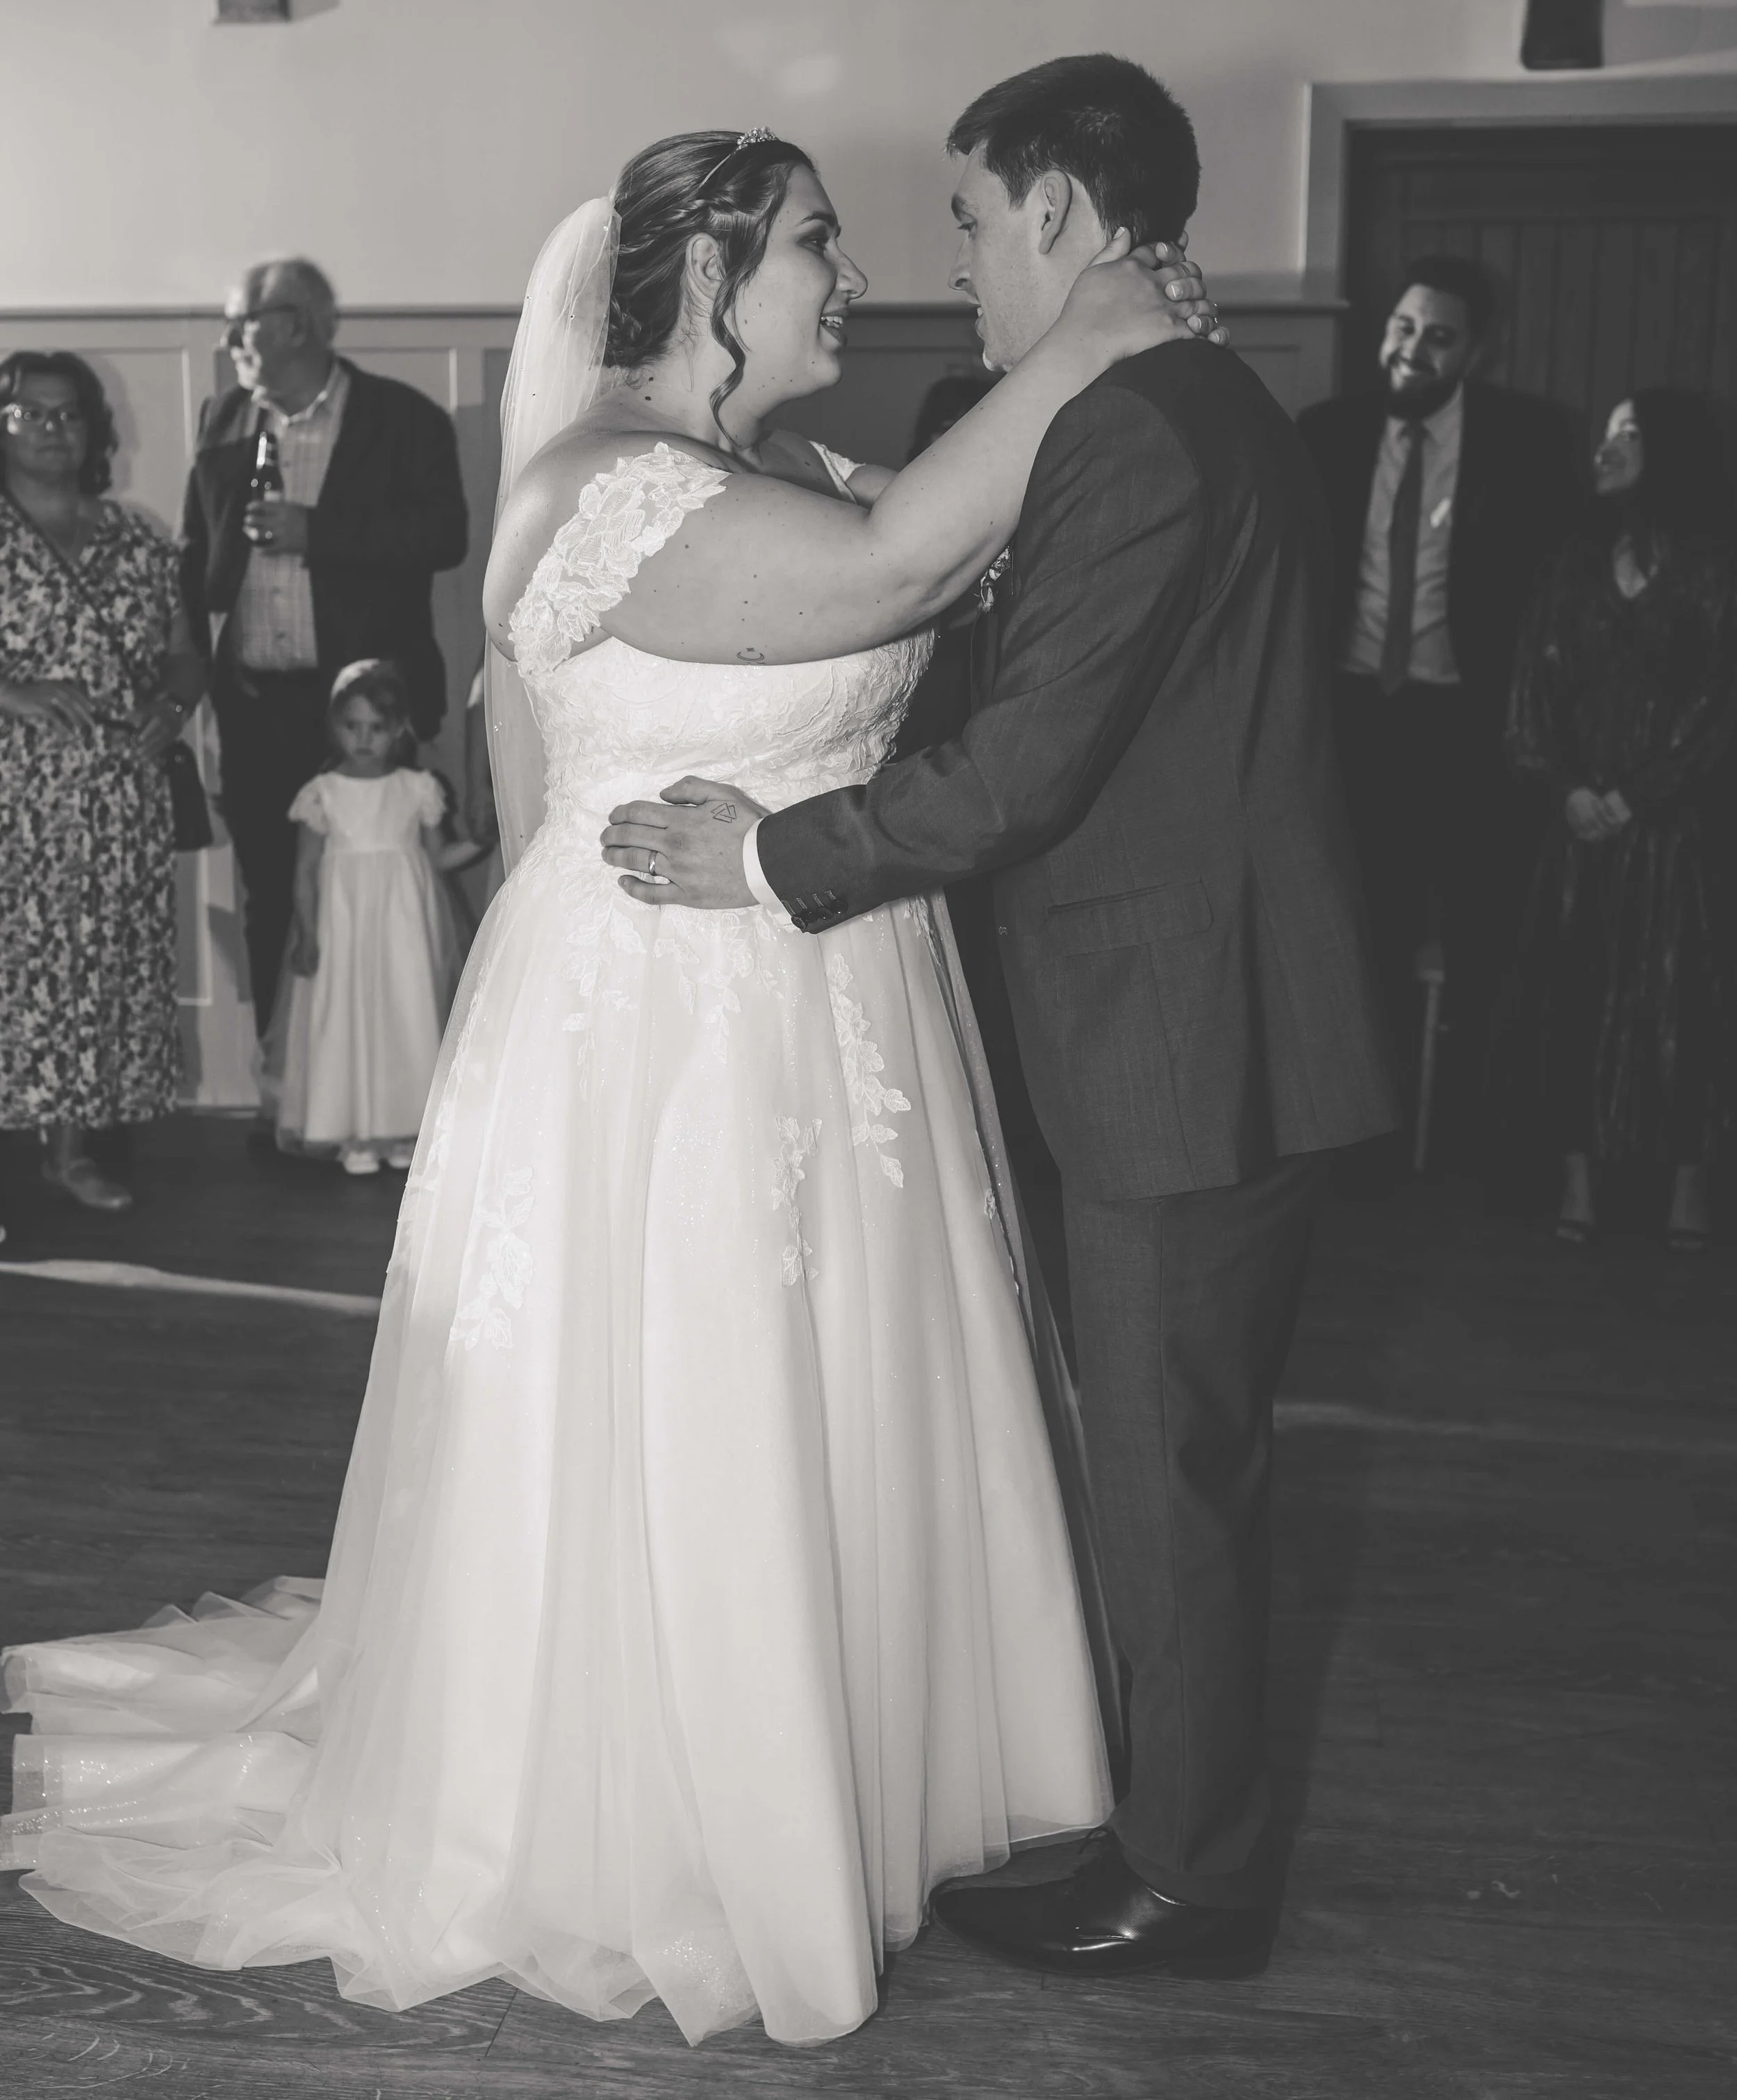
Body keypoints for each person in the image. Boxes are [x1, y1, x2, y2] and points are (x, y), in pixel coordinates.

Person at [1, 126, 1210, 2047]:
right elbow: (908, 564)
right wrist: (1101, 334)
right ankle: (662, 1810)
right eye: (817, 242)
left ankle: (852, 1753)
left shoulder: (778, 468)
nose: (854, 270)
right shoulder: (614, 484)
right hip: (673, 1021)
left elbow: (948, 555)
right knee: (690, 1392)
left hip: (829, 994)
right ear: (715, 269)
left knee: (835, 1396)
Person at [604, 56, 1396, 1980]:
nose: (948, 261)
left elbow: (1029, 764)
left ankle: (1192, 1878)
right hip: (1207, 1018)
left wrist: (778, 860)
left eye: (967, 215)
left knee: (1169, 1470)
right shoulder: (1176, 404)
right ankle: (1163, 1824)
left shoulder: (1139, 427)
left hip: (1184, 1043)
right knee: (1169, 1457)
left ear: (1056, 208)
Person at [1296, 259, 1583, 1160]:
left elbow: (1555, 596)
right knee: (1362, 932)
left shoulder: (1532, 441)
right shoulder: (1327, 433)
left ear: (1477, 351)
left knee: (1479, 933)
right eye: (1405, 328)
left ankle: (1463, 1138)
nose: (1414, 349)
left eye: (1441, 336)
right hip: (1353, 719)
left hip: (1471, 727)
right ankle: (1369, 1138)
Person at [180, 257, 470, 1035]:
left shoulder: (403, 417)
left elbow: (445, 536)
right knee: (273, 892)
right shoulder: (225, 418)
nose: (229, 336)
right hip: (254, 709)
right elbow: (196, 557)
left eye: (243, 320)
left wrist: (319, 532)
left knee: (386, 894)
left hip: (366, 712)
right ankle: (287, 1089)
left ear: (298, 324)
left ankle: (398, 1093)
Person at [1501, 389, 1736, 1250]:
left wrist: (1642, 794)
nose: (1607, 447)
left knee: (1685, 1004)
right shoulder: (1566, 564)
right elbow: (1530, 695)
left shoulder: (1714, 568)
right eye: (1604, 433)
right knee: (1575, 992)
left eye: (1628, 434)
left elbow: (1720, 707)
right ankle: (1576, 1183)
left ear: (1669, 451)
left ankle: (1687, 1190)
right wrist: (1566, 787)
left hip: (1676, 834)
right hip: (1579, 827)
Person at [0, 350, 205, 1213]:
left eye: (69, 413)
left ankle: (70, 1149)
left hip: (118, 799)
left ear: (94, 427)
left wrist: (172, 703)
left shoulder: (135, 537)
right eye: (31, 413)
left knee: (95, 974)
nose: (53, 429)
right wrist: (14, 688)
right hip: (15, 798)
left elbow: (185, 651)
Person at [260, 659, 465, 1175]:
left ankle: (400, 1127)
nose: (364, 739)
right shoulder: (322, 792)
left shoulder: (417, 787)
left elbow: (438, 858)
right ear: (335, 726)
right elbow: (305, 871)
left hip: (402, 927)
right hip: (343, 925)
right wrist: (307, 932)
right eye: (352, 726)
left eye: (376, 728)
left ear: (397, 730)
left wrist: (484, 841)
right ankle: (348, 1127)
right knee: (346, 1016)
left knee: (405, 1013)